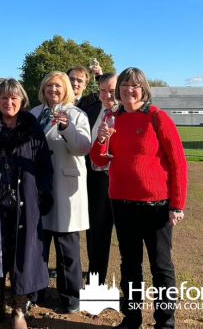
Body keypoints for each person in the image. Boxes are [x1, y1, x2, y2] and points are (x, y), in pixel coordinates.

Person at [90, 67, 187, 329]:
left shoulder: (157, 117)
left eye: (133, 86)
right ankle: (131, 318)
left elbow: (178, 163)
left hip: (156, 206)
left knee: (161, 266)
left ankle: (165, 323)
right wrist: (100, 140)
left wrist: (177, 205)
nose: (128, 90)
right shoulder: (111, 118)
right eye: (123, 86)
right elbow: (98, 160)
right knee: (130, 265)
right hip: (121, 203)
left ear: (143, 88)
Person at [0, 79, 54, 329]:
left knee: (21, 256)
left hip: (24, 205)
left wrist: (40, 193)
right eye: (4, 98)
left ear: (21, 100)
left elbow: (44, 164)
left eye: (14, 98)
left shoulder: (31, 125)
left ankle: (19, 311)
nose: (9, 102)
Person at [29, 72, 91, 313]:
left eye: (58, 85)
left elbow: (83, 147)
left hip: (66, 189)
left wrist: (66, 127)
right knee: (38, 244)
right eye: (48, 85)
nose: (53, 89)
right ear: (43, 89)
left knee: (67, 249)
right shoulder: (34, 113)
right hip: (38, 187)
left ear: (66, 89)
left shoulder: (77, 114)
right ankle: (36, 291)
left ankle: (71, 298)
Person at [85, 72, 118, 286]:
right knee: (96, 234)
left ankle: (131, 290)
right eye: (103, 91)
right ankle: (95, 282)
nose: (107, 95)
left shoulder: (128, 113)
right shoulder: (92, 112)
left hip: (120, 180)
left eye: (112, 91)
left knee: (128, 238)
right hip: (95, 180)